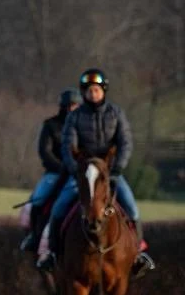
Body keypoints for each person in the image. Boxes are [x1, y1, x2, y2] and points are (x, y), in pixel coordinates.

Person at [36, 68, 155, 274]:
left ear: (103, 91)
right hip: (82, 175)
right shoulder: (75, 117)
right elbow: (67, 146)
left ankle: (137, 254)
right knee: (58, 209)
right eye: (89, 91)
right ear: (84, 93)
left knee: (132, 210)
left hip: (110, 174)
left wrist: (117, 168)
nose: (93, 94)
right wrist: (75, 170)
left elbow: (125, 143)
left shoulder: (116, 114)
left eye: (96, 90)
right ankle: (53, 254)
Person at [19, 89, 79, 253]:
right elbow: (45, 152)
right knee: (37, 201)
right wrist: (63, 168)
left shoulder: (83, 126)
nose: (71, 109)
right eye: (69, 105)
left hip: (79, 174)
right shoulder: (50, 125)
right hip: (55, 173)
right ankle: (34, 236)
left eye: (74, 105)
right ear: (62, 106)